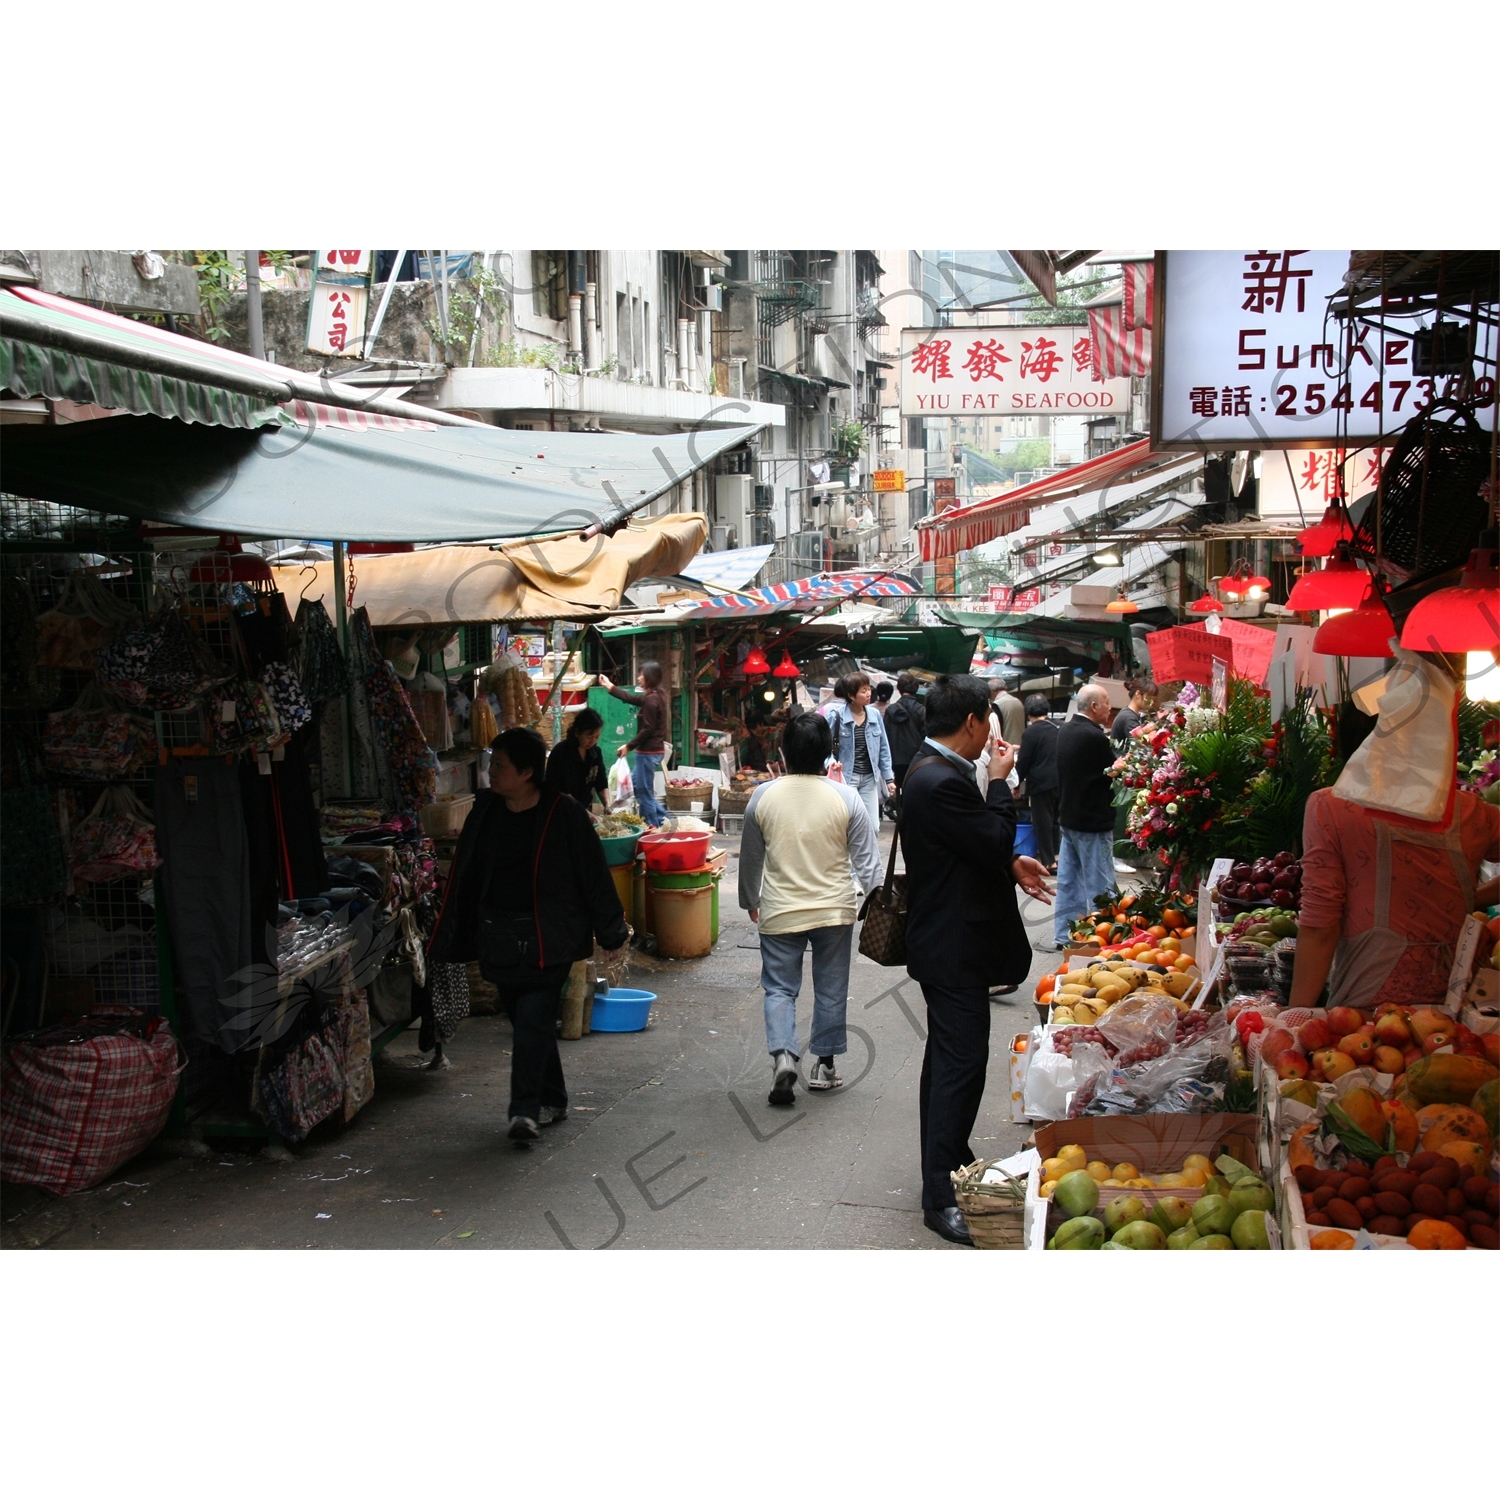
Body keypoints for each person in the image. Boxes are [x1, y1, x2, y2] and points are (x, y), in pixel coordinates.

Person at [901, 674, 1052, 1244]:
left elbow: (969, 848)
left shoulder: (931, 770)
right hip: (952, 945)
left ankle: (948, 1163)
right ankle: (940, 1195)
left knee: (948, 1062)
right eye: (987, 720)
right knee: (958, 1066)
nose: (990, 731)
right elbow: (990, 837)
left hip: (946, 939)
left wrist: (1009, 863)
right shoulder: (943, 780)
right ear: (973, 723)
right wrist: (998, 782)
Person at [428, 728, 629, 1141]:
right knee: (525, 1019)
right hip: (499, 937)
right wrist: (454, 930)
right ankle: (553, 1097)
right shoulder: (486, 811)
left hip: (549, 937)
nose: (490, 773)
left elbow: (594, 875)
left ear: (526, 772)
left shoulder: (564, 813)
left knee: (533, 1016)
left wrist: (611, 933)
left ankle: (524, 1110)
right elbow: (466, 874)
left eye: (498, 765)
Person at [738, 713, 883, 1105]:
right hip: (834, 910)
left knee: (780, 988)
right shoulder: (847, 797)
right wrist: (878, 898)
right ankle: (824, 1065)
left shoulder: (762, 797)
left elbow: (750, 859)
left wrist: (750, 899)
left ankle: (784, 1055)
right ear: (827, 753)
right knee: (831, 987)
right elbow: (868, 862)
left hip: (781, 910)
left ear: (783, 751)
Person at [1044, 682, 1118, 952]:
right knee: (1100, 883)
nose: (1110, 707)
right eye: (1107, 702)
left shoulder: (1066, 730)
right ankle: (1106, 933)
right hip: (1091, 821)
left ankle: (1064, 934)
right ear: (1095, 706)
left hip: (1070, 817)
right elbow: (1112, 769)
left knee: (1069, 881)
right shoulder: (1093, 737)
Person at [599, 661, 670, 827]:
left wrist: (628, 746)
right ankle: (664, 820)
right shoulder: (653, 696)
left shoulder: (652, 700)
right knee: (639, 788)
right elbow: (631, 699)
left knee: (644, 793)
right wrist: (609, 686)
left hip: (648, 753)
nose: (639, 678)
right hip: (648, 752)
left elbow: (647, 729)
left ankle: (653, 826)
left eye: (641, 674)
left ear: (650, 677)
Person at [824, 671, 895, 828]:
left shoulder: (875, 715)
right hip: (847, 778)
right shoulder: (836, 716)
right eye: (863, 691)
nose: (869, 693)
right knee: (851, 826)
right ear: (851, 695)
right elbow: (825, 749)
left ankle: (867, 853)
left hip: (870, 778)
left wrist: (889, 778)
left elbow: (883, 748)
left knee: (873, 827)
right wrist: (831, 763)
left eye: (869, 689)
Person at [1016, 694, 1060, 874]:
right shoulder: (1059, 726)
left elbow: (1024, 761)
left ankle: (1049, 862)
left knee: (1042, 821)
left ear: (1028, 713)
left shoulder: (1031, 732)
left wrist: (1015, 783)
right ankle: (1057, 856)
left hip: (1041, 783)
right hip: (1062, 780)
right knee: (1057, 820)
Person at [543, 707, 608, 812]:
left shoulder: (595, 753)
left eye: (596, 737)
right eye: (589, 736)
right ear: (577, 732)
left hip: (581, 809)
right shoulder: (562, 753)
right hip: (559, 811)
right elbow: (563, 791)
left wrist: (607, 805)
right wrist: (583, 813)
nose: (593, 741)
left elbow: (601, 783)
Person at [883, 673, 927, 798]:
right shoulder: (921, 709)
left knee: (899, 786)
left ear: (899, 688)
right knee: (914, 787)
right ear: (916, 689)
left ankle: (899, 809)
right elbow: (926, 734)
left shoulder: (890, 710)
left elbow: (886, 734)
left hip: (896, 758)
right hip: (916, 758)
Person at [1109, 680, 1155, 747]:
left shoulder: (1129, 713)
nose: (1152, 702)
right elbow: (1139, 746)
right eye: (1149, 698)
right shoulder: (1129, 718)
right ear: (1138, 694)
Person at [990, 678, 1026, 749]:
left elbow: (997, 728)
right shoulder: (1018, 701)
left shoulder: (997, 705)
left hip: (1006, 747)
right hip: (1021, 745)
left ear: (993, 691)